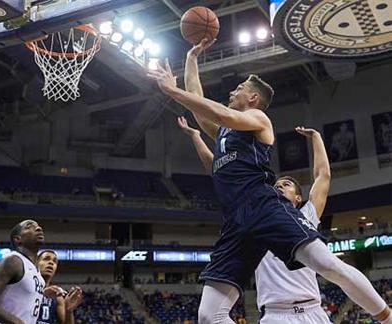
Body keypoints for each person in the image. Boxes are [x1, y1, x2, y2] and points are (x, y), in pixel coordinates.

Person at [146, 39, 392, 324]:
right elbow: (201, 107)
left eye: (239, 89)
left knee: (327, 265)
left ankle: (387, 318)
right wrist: (191, 57)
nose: (231, 91)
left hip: (263, 205)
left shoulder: (258, 118)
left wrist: (170, 90)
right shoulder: (225, 133)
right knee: (208, 315)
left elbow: (219, 112)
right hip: (236, 220)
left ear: (253, 98)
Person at [178, 117, 332, 323]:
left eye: (286, 184)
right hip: (275, 314)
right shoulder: (259, 218)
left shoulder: (308, 216)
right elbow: (219, 171)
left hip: (313, 311)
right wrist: (196, 137)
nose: (279, 186)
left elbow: (323, 176)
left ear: (298, 198)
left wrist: (316, 137)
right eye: (277, 184)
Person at [0, 219, 46, 324]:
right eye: (29, 227)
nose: (38, 228)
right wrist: (16, 321)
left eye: (38, 226)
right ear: (18, 239)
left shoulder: (38, 274)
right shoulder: (13, 261)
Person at [36, 250, 83, 324]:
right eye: (46, 259)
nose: (51, 262)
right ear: (36, 264)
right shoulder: (26, 288)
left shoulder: (57, 297)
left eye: (54, 261)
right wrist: (41, 294)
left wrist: (69, 311)